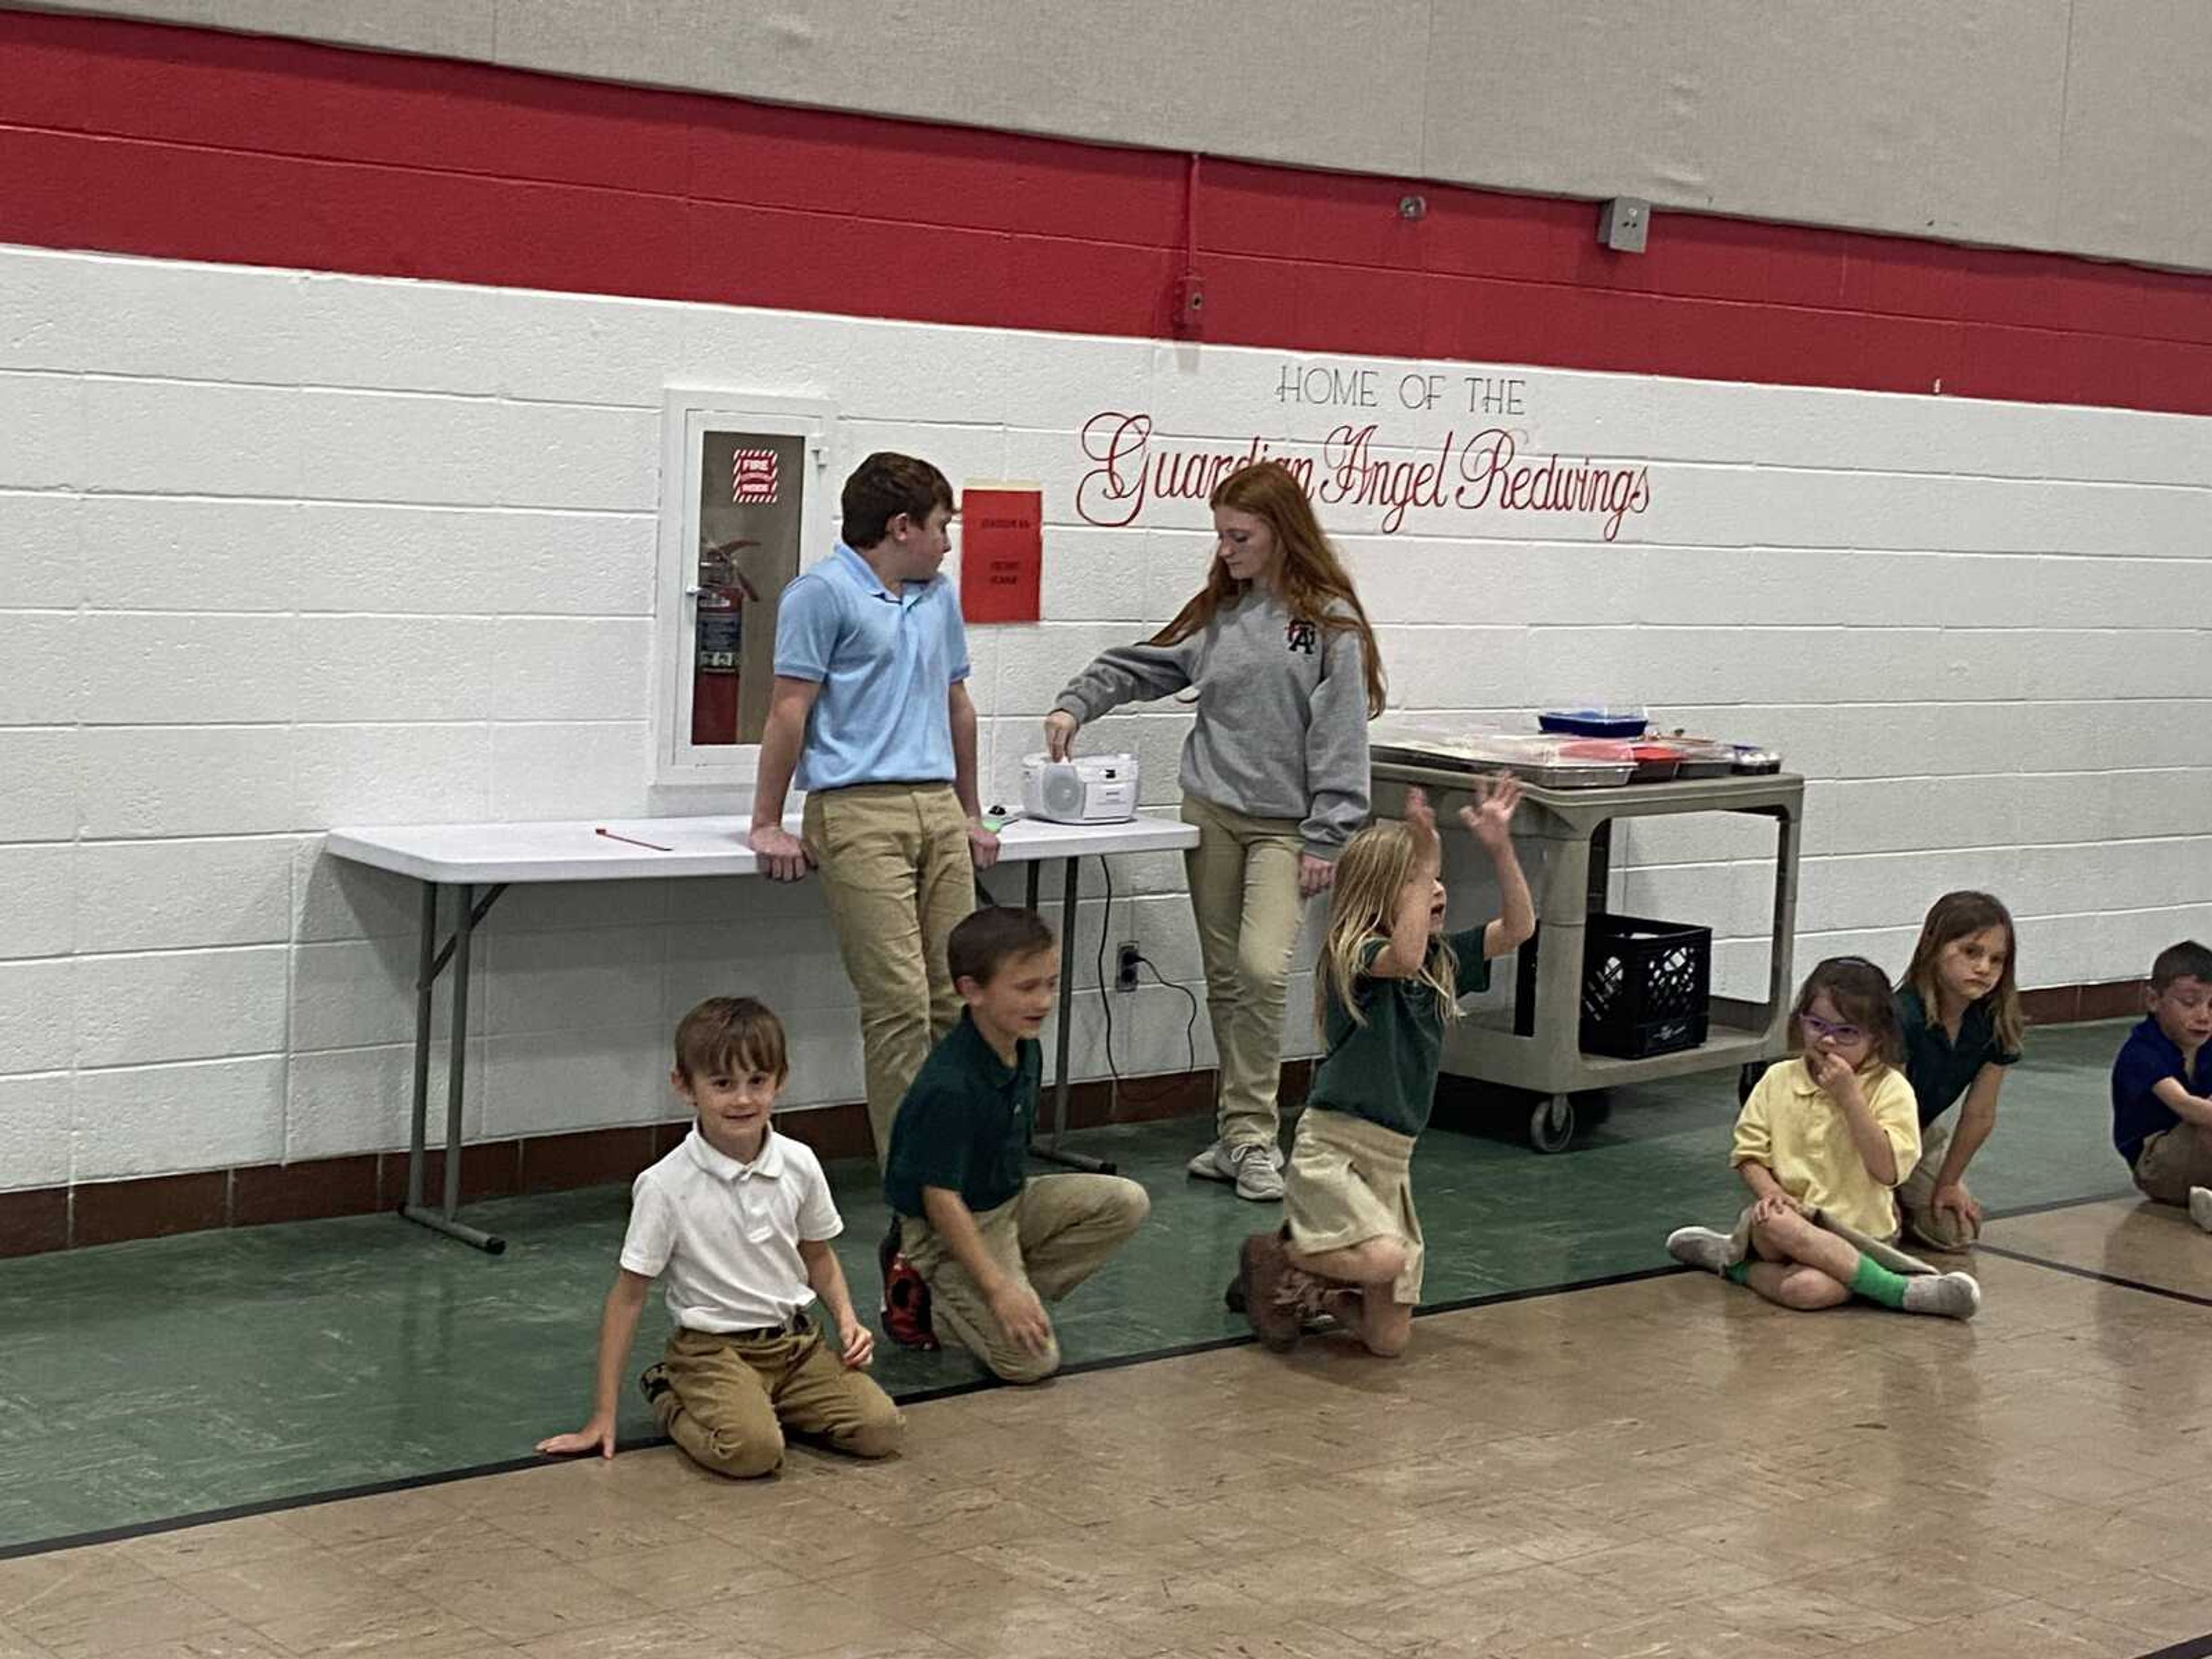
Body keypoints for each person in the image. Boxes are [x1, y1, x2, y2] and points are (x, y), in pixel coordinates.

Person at [1047, 461, 1385, 1203]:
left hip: (1286, 827)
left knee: (1264, 971)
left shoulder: (1329, 625)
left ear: (1281, 534)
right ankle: (1240, 1137)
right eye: (1221, 536)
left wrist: (1330, 834)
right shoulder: (1221, 615)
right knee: (1227, 979)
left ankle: (1257, 1138)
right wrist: (1076, 705)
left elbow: (1341, 735)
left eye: (1241, 535)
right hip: (1212, 813)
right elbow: (1145, 667)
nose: (1226, 549)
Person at [748, 452, 1000, 1167]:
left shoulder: (939, 596)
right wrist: (768, 821)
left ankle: (966, 1163)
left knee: (960, 998)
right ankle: (913, 1180)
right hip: (857, 811)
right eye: (941, 528)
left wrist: (970, 812)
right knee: (898, 1005)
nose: (947, 544)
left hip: (935, 808)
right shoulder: (820, 594)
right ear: (900, 528)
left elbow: (958, 705)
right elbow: (788, 712)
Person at [536, 998, 902, 1478]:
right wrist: (603, 1416)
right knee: (751, 1453)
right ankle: (671, 1394)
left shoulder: (800, 1163)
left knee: (881, 1430)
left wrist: (847, 1321)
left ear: (780, 1080)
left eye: (758, 1081)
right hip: (713, 1351)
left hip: (796, 1347)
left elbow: (818, 1255)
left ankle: (765, 1407)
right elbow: (627, 1298)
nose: (743, 1100)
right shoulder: (665, 1185)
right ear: (685, 1087)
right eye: (723, 1084)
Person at [1238, 781, 1532, 1356]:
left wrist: (1501, 849)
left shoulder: (1441, 962)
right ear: (1378, 896)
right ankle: (1280, 1255)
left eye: (1434, 877)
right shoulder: (1355, 955)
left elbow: (1519, 928)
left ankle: (1311, 1293)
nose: (1435, 886)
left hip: (1393, 1157)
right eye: (1417, 880)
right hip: (1336, 1149)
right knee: (1385, 1258)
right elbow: (1402, 956)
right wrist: (1425, 864)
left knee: (1388, 1341)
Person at [881, 907, 1150, 1381]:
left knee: (1125, 1202)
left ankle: (1000, 1301)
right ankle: (935, 1299)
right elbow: (940, 1200)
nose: (1044, 1001)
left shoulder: (1025, 1044)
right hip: (949, 1229)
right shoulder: (949, 1086)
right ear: (972, 991)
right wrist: (998, 1287)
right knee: (1031, 1364)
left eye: (1050, 983)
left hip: (1008, 1203)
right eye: (1026, 988)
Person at [1668, 957, 1982, 1319]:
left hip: (1862, 1237)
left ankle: (1731, 1261)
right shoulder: (1778, 1079)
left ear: (1876, 1037)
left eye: (1847, 1032)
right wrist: (1773, 1194)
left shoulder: (1891, 1089)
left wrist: (1850, 1098)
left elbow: (1888, 1172)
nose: (1828, 1040)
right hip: (1784, 1226)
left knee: (1808, 1289)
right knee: (1776, 1222)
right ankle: (1903, 1291)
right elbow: (1749, 1153)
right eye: (1816, 1025)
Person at [1889, 891, 2024, 1251]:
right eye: (1971, 952)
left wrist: (1948, 1182)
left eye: (1997, 960)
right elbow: (1885, 1113)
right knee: (1875, 1233)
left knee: (1955, 1233)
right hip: (1861, 1133)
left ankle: (1908, 1199)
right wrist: (1879, 1191)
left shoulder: (1993, 1022)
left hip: (1918, 1134)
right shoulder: (1901, 1016)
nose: (1983, 968)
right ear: (1933, 948)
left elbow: (1980, 1114)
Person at [2111, 940, 2212, 1233]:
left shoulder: (2207, 1047)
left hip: (2197, 1154)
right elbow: (2186, 1107)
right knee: (2206, 1122)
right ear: (2154, 1000)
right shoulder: (2141, 1052)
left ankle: (2205, 1203)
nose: (2204, 1016)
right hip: (2157, 1165)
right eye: (2190, 1003)